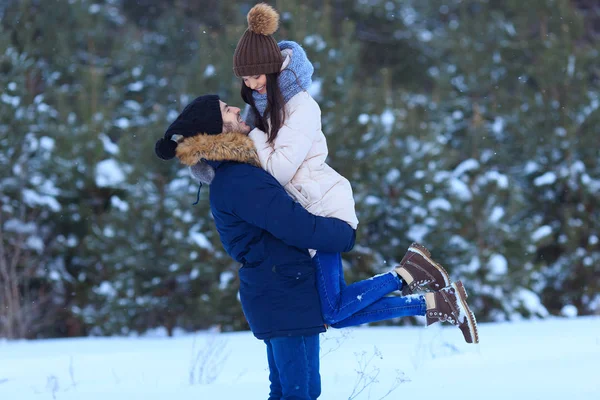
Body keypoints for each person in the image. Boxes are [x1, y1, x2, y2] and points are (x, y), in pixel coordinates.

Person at [154, 94, 479, 400]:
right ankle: (413, 281)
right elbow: (292, 223)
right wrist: (341, 236)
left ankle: (426, 293)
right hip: (280, 291)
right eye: (227, 110)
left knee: (297, 389)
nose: (237, 110)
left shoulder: (239, 173)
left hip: (282, 288)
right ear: (214, 129)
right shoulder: (238, 180)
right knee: (299, 391)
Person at [232, 2, 478, 339]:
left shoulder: (301, 106)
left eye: (256, 76)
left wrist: (251, 135)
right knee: (335, 313)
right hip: (305, 214)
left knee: (333, 311)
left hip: (324, 210)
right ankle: (432, 296)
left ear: (273, 70)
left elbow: (278, 171)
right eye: (245, 79)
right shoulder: (263, 109)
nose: (252, 85)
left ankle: (410, 280)